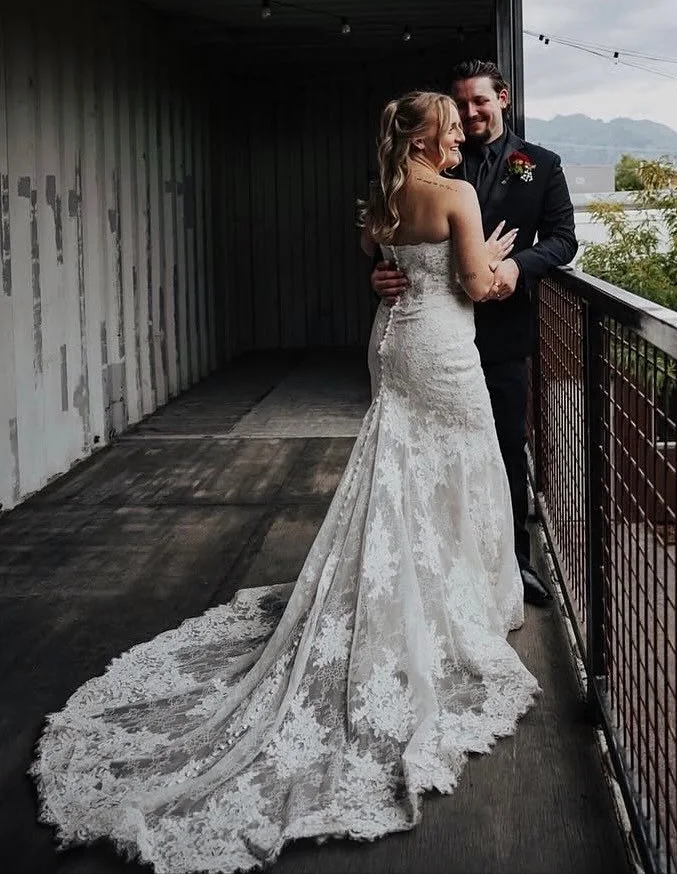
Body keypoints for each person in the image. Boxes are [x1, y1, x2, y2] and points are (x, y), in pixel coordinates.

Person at [30, 91, 540, 874]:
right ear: (435, 133)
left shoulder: (381, 198)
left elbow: (387, 261)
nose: (456, 144)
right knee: (462, 464)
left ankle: (431, 590)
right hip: (441, 351)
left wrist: (398, 271)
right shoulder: (459, 194)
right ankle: (457, 599)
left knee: (399, 464)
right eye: (448, 130)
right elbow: (473, 285)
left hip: (392, 348)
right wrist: (502, 266)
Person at [371, 61, 578, 607]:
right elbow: (387, 242)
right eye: (460, 106)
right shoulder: (425, 174)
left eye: (479, 102)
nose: (469, 114)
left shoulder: (539, 165)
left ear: (502, 99)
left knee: (504, 448)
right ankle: (433, 563)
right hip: (436, 332)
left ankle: (511, 561)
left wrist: (519, 266)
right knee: (427, 450)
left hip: (500, 332)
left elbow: (563, 240)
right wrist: (382, 271)